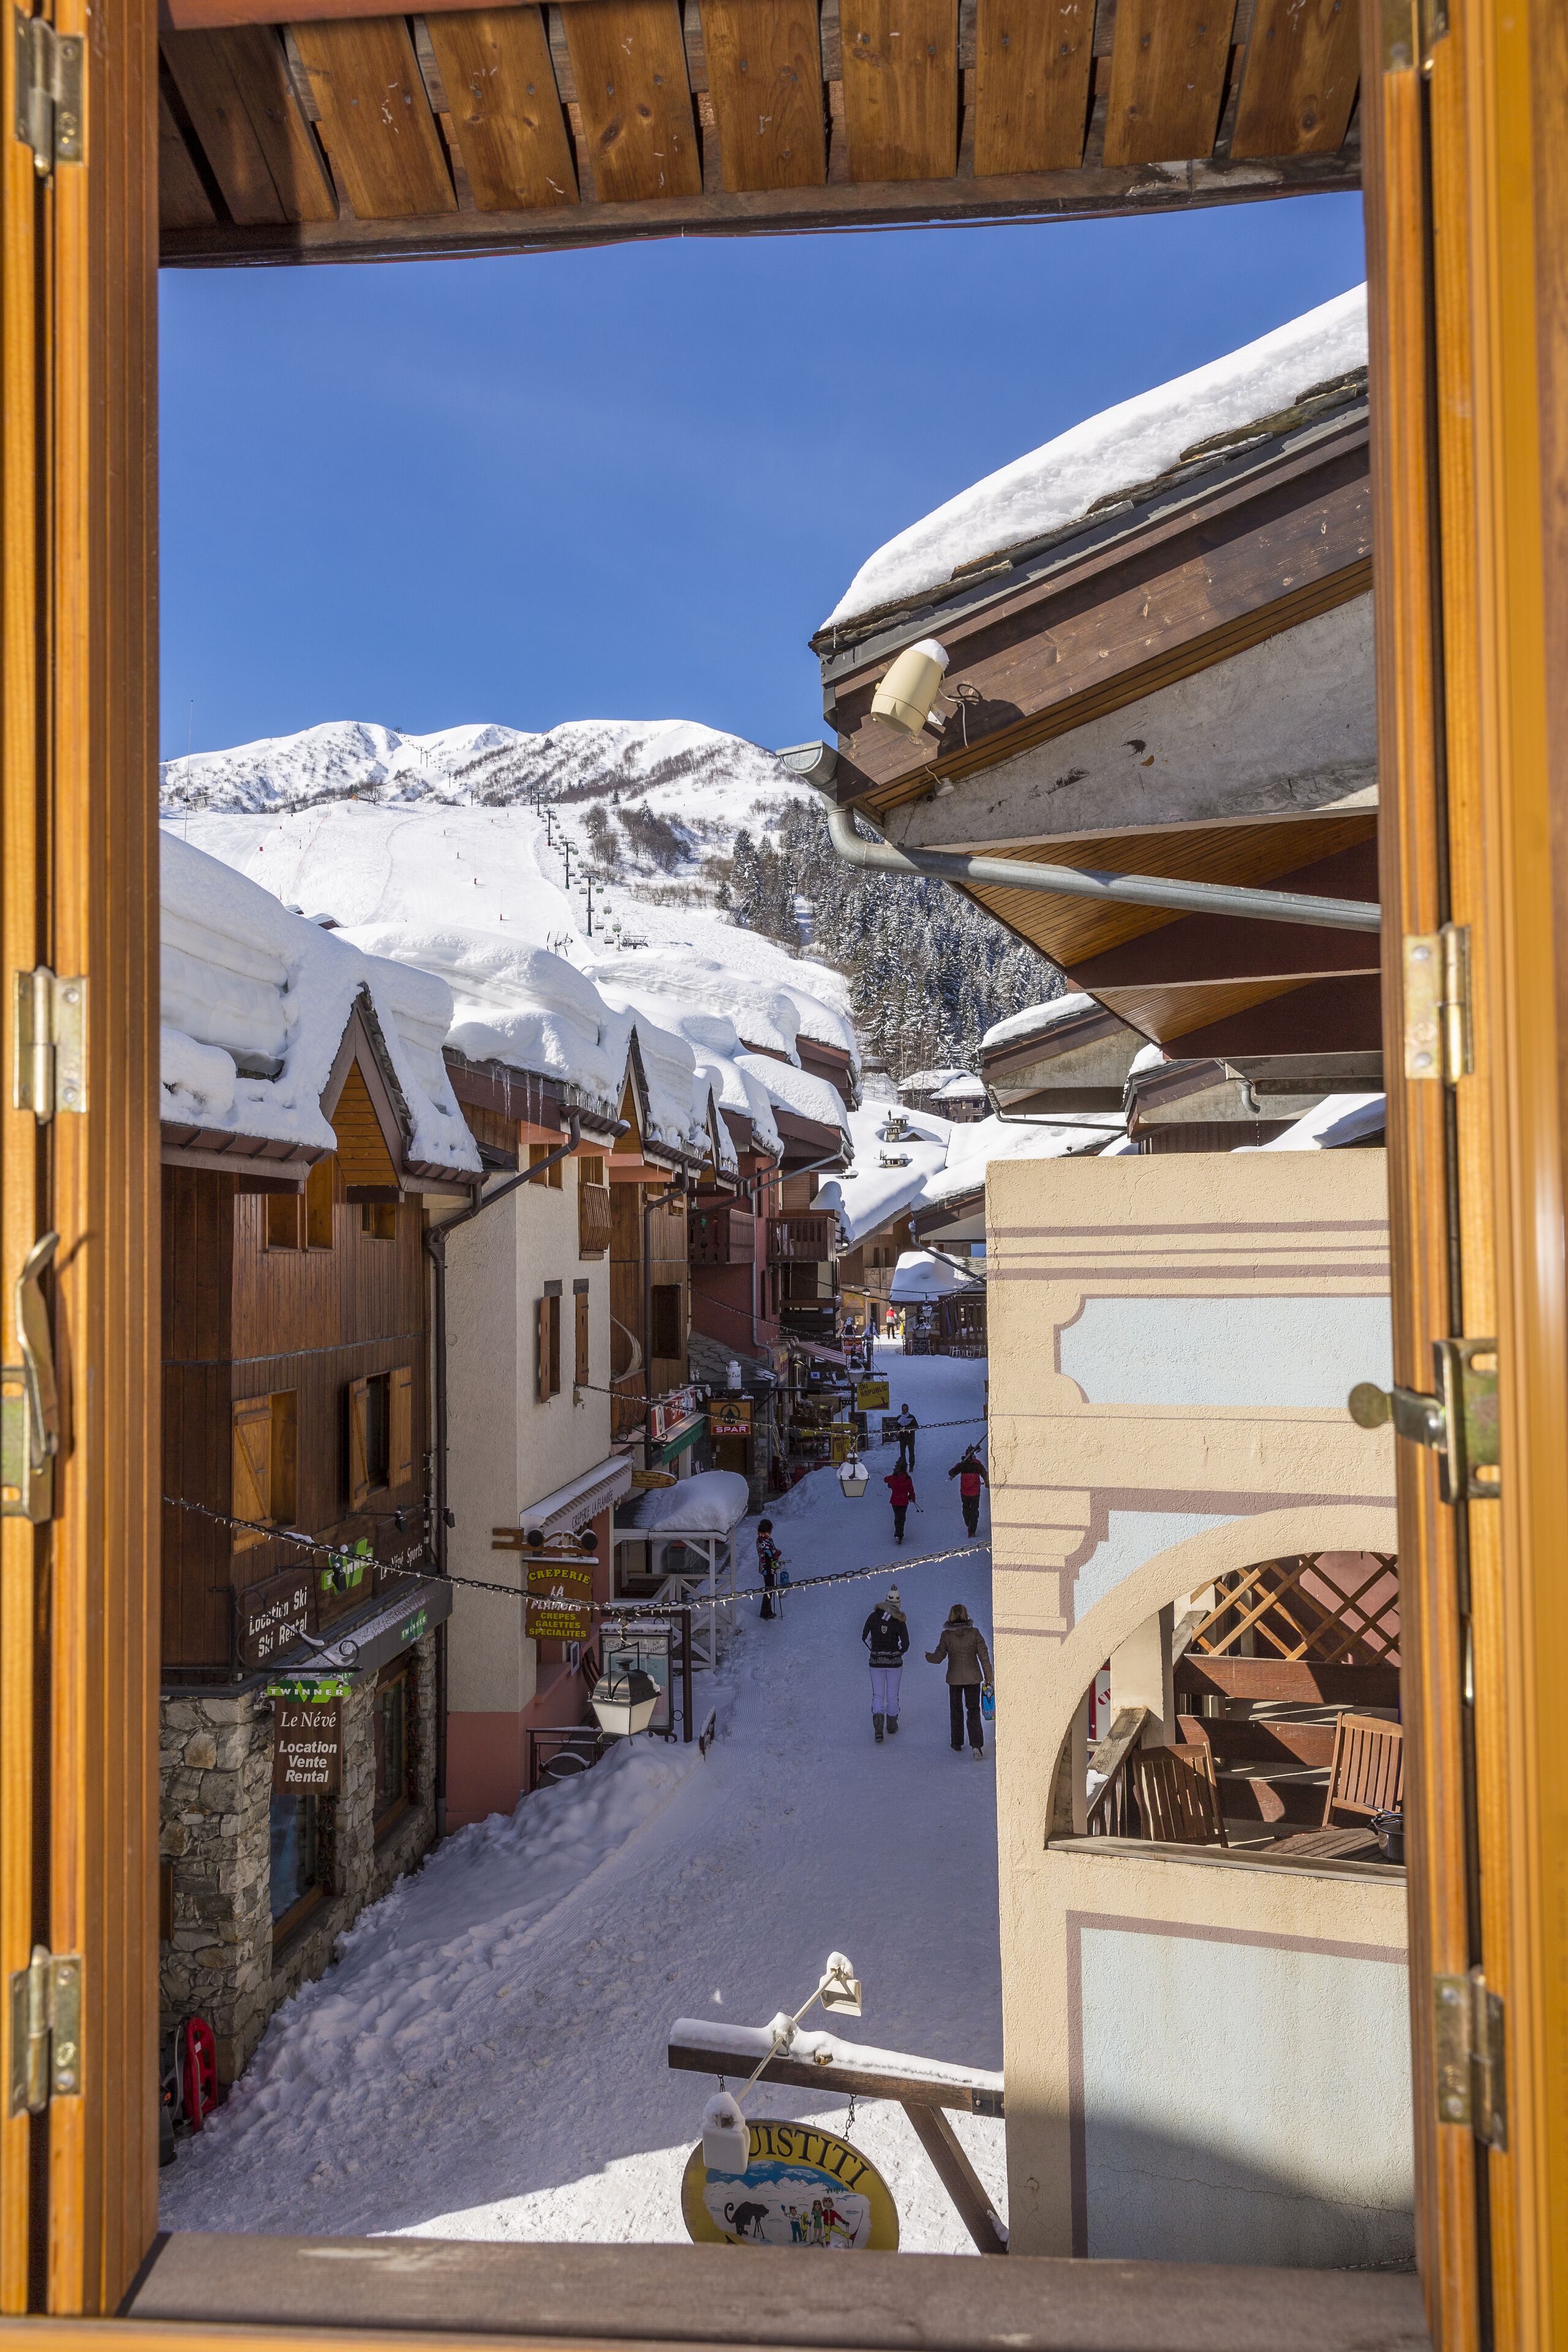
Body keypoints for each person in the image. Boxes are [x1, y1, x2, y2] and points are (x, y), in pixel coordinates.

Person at [925, 1601, 994, 1759]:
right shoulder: (975, 1633)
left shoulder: (946, 1635)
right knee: (973, 1710)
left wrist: (928, 1657)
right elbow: (984, 1657)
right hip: (973, 1678)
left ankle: (957, 1744)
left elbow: (938, 1657)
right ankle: (976, 1746)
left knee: (956, 1712)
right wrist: (989, 1678)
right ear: (965, 1615)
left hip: (954, 1679)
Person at [861, 1585, 908, 1743]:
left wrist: (875, 1649)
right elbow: (906, 1644)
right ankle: (892, 1725)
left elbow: (865, 1636)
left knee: (878, 1694)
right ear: (898, 1603)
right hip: (895, 1663)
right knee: (893, 1695)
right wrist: (897, 1653)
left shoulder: (873, 1617)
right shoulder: (900, 1621)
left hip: (876, 1662)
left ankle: (878, 1728)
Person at [947, 1444, 989, 1536]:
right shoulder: (978, 1466)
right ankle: (972, 1531)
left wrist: (952, 1473)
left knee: (966, 1509)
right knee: (975, 1511)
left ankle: (968, 1523)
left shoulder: (962, 1466)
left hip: (964, 1493)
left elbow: (952, 1472)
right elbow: (985, 1475)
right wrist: (987, 1483)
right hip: (975, 1493)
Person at [756, 1519, 783, 1620]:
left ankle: (768, 1611)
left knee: (770, 1589)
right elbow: (771, 1553)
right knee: (769, 1589)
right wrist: (778, 1552)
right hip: (768, 1568)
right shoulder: (763, 1541)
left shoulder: (763, 1538)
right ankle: (765, 1612)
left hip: (768, 1567)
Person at [884, 1464, 914, 1542]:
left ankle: (898, 1534)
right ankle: (899, 1534)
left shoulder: (893, 1477)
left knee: (897, 1517)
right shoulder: (908, 1479)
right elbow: (911, 1489)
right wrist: (913, 1498)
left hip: (894, 1501)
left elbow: (885, 1479)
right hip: (904, 1501)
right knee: (902, 1518)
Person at [892, 1404, 918, 1471]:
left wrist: (909, 1429)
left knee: (911, 1452)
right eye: (903, 1409)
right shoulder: (899, 1418)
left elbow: (916, 1427)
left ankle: (911, 1466)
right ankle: (904, 1466)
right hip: (902, 1438)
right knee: (902, 1453)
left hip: (910, 1438)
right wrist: (898, 1431)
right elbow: (897, 1426)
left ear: (908, 1409)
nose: (904, 1411)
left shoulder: (911, 1417)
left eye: (906, 1409)